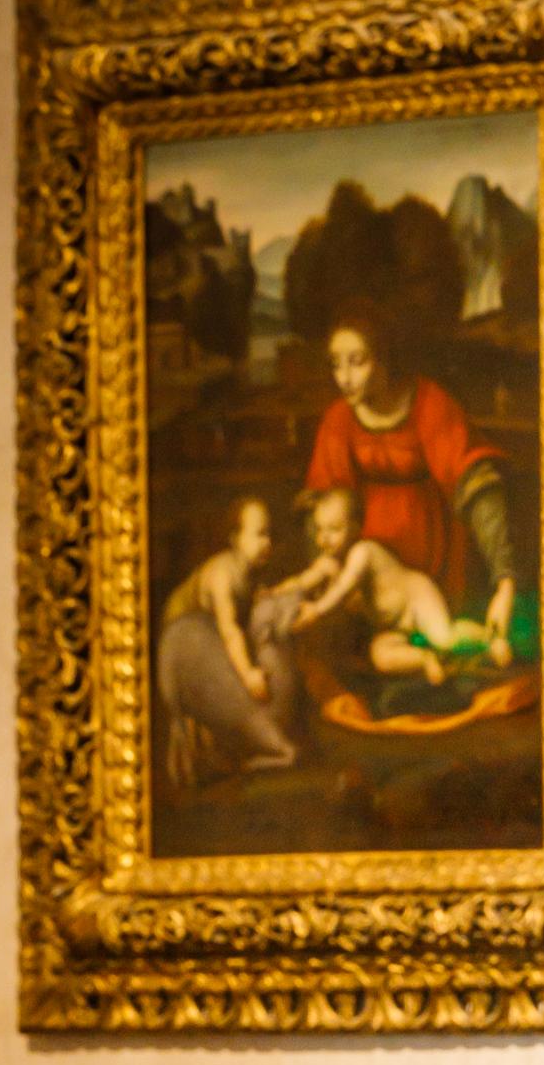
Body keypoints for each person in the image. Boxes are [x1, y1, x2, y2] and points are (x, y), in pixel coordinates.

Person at [300, 315, 517, 662]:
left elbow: (476, 481)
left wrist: (504, 582)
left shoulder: (428, 402)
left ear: (384, 357)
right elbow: (323, 508)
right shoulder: (339, 419)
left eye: (357, 362)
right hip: (368, 579)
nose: (344, 378)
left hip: (435, 569)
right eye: (336, 365)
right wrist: (335, 577)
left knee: (446, 642)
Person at [267, 487, 488, 687]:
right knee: (381, 657)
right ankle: (424, 658)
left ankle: (489, 637)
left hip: (416, 599)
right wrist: (275, 591)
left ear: (354, 528)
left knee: (445, 639)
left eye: (334, 529)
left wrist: (316, 610)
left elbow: (344, 587)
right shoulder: (329, 562)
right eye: (319, 530)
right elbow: (304, 579)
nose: (324, 539)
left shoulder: (363, 552)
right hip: (393, 625)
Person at [154, 496, 297, 777]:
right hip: (181, 639)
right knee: (236, 690)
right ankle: (269, 747)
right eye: (258, 534)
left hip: (208, 637)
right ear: (235, 538)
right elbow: (230, 630)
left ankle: (250, 747)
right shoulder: (223, 574)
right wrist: (248, 675)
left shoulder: (251, 573)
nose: (266, 542)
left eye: (269, 534)